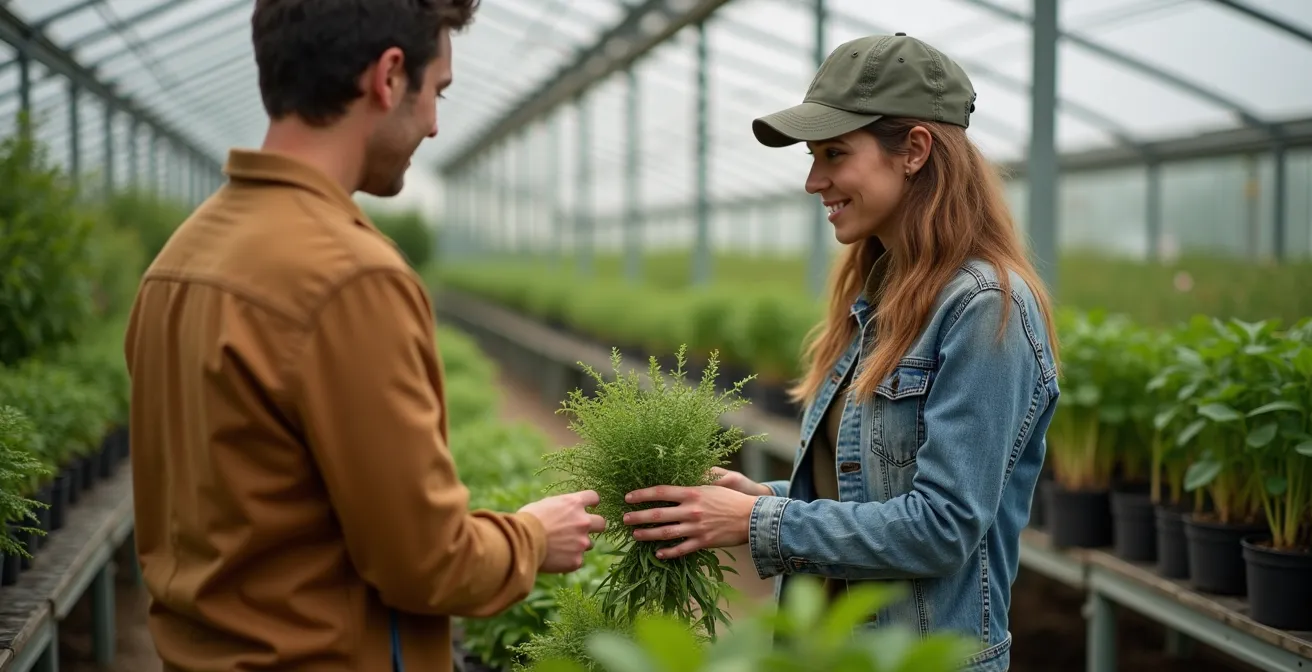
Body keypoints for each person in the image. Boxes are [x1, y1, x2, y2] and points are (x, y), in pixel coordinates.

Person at [122, 1, 605, 670]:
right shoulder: (350, 278)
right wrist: (529, 538)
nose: (435, 126)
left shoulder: (177, 263)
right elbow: (424, 562)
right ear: (388, 76)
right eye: (437, 93)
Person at [619, 33, 1060, 672]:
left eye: (834, 154)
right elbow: (872, 489)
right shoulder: (881, 295)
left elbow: (941, 528)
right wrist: (765, 497)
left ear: (913, 150)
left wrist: (757, 522)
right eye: (812, 156)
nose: (812, 181)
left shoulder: (985, 308)